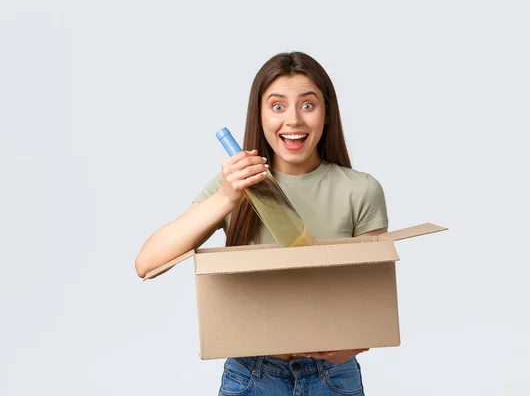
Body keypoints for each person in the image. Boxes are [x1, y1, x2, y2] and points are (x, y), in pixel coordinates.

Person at [135, 51, 389, 395]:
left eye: (308, 105)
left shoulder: (360, 190)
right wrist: (226, 198)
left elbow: (371, 302)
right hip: (251, 375)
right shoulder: (236, 185)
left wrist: (350, 346)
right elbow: (147, 262)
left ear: (327, 114)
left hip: (333, 378)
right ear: (260, 114)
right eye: (278, 106)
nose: (294, 121)